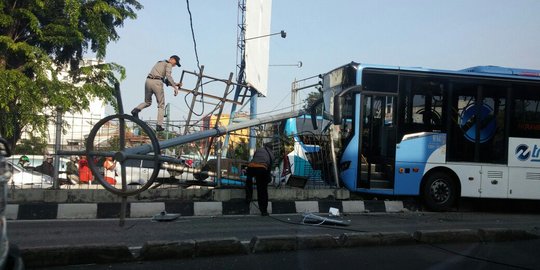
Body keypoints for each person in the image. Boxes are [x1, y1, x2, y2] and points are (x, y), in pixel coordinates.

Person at [131, 55, 183, 132]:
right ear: (171, 59)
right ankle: (159, 125)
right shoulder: (169, 64)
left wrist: (175, 84)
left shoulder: (159, 62)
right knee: (161, 105)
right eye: (175, 63)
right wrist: (175, 87)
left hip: (148, 81)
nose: (174, 65)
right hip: (157, 84)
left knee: (147, 102)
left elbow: (162, 78)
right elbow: (168, 76)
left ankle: (136, 110)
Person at [245, 142, 275, 216]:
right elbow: (268, 169)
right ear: (271, 148)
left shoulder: (258, 149)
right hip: (262, 169)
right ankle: (263, 211)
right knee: (262, 190)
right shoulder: (272, 156)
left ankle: (249, 197)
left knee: (249, 180)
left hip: (251, 167)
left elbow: (255, 158)